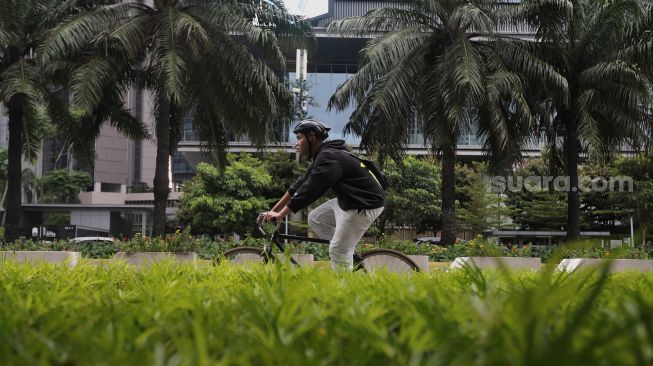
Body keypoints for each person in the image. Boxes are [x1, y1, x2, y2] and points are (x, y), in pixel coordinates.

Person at [258, 119, 385, 270]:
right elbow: (298, 186)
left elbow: (309, 191)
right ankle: (346, 249)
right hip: (349, 201)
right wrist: (274, 210)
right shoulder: (323, 155)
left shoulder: (329, 157)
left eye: (299, 138)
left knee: (338, 250)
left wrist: (281, 215)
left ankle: (345, 287)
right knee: (315, 218)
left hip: (364, 205)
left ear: (312, 138)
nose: (296, 144)